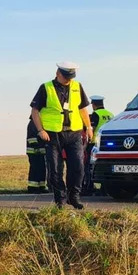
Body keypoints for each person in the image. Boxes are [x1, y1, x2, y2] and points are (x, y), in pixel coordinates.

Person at [30, 62, 93, 209]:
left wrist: (88, 127)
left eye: (70, 77)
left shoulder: (77, 87)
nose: (68, 80)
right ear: (58, 73)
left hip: (74, 132)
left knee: (78, 166)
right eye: (66, 77)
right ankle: (61, 199)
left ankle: (74, 196)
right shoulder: (46, 88)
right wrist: (40, 130)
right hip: (52, 134)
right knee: (55, 169)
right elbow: (35, 111)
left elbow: (83, 109)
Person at [82, 95, 113, 195]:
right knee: (106, 167)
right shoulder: (110, 114)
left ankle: (88, 188)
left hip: (95, 144)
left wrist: (85, 145)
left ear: (93, 105)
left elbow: (91, 129)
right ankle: (105, 189)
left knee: (88, 167)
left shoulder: (95, 114)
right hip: (109, 145)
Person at [26, 117, 48, 194]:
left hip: (40, 151)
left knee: (42, 169)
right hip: (34, 151)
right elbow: (32, 138)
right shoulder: (33, 123)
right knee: (35, 169)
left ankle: (41, 186)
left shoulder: (38, 124)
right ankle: (32, 188)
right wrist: (38, 146)